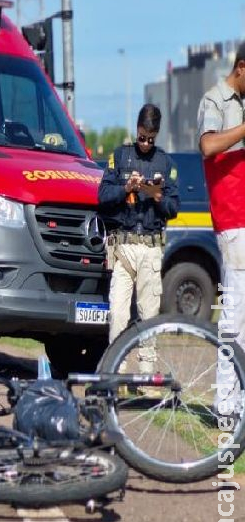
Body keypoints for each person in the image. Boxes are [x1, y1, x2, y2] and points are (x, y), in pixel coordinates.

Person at [99, 104, 180, 373]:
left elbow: (173, 208)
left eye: (151, 139)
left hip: (150, 248)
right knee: (119, 313)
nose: (145, 143)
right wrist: (126, 188)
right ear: (137, 130)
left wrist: (157, 195)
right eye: (142, 137)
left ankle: (147, 375)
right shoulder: (120, 156)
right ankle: (115, 373)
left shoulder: (165, 163)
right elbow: (102, 197)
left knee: (149, 313)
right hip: (123, 248)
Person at [197, 41, 245, 415]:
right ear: (241, 68)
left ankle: (238, 402)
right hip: (233, 220)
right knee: (234, 315)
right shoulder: (215, 100)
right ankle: (225, 403)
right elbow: (208, 146)